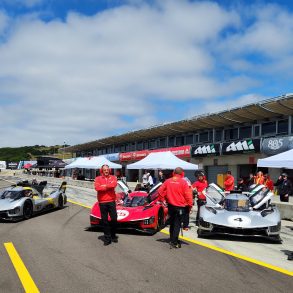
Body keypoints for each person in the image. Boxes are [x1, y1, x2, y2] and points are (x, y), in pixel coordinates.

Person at [158, 167, 193, 249]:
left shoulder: (168, 181)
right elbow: (188, 196)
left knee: (172, 223)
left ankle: (171, 239)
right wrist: (190, 206)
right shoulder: (184, 182)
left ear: (174, 172)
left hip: (171, 206)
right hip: (180, 207)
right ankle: (174, 242)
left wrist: (163, 200)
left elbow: (160, 191)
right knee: (177, 224)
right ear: (182, 173)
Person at [94, 164, 118, 245]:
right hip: (102, 202)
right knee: (105, 221)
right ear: (102, 171)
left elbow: (114, 185)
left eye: (107, 169)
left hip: (111, 201)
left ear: (109, 170)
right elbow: (97, 188)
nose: (106, 171)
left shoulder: (113, 177)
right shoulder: (97, 178)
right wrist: (108, 187)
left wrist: (104, 186)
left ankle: (113, 235)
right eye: (104, 170)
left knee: (114, 219)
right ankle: (107, 238)